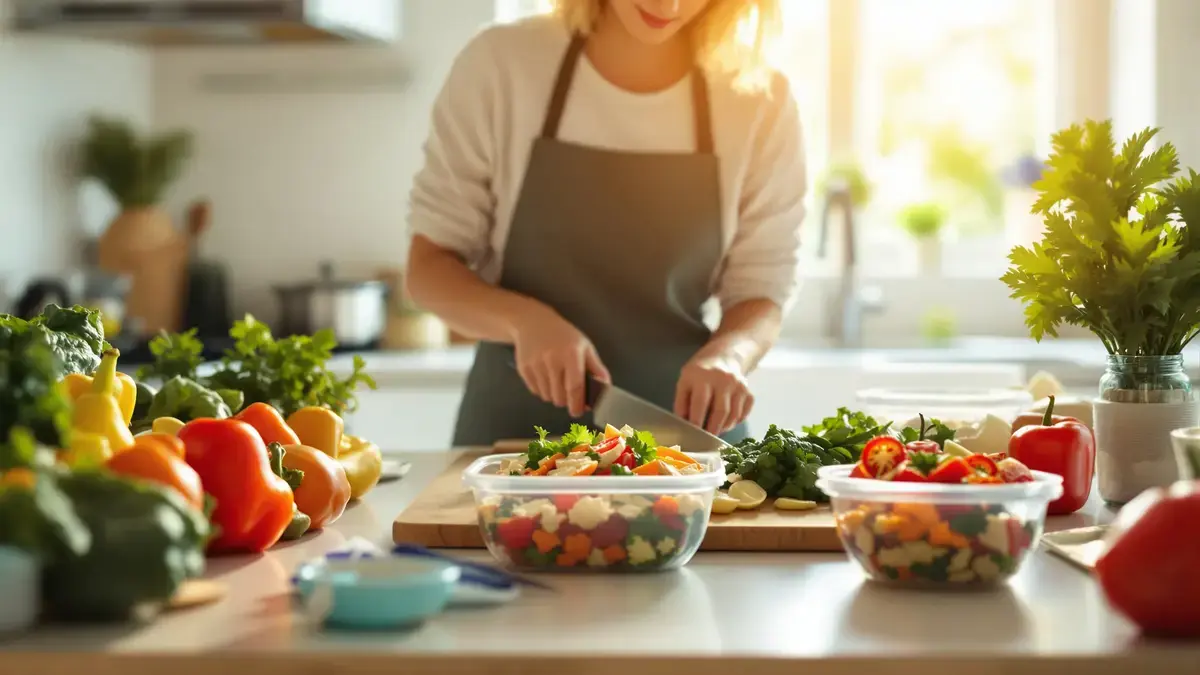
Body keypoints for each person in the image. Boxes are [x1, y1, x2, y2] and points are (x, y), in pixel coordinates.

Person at [405, 0, 806, 447]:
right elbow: (429, 268)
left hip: (682, 444)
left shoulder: (757, 98)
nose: (669, 5)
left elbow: (762, 290)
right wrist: (526, 322)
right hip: (512, 443)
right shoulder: (503, 64)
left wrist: (729, 355)